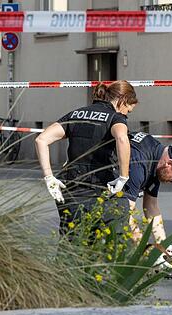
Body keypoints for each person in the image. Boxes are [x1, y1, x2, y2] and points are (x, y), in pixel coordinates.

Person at [35, 80, 138, 233]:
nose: (126, 114)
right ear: (123, 100)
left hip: (72, 190)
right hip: (101, 189)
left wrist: (49, 177)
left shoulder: (76, 114)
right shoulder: (115, 118)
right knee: (114, 243)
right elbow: (122, 139)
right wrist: (123, 177)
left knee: (72, 246)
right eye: (128, 110)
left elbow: (41, 140)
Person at [121, 132, 172, 267]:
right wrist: (147, 251)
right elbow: (124, 213)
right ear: (170, 164)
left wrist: (164, 245)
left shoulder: (157, 156)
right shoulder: (138, 164)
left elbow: (151, 205)